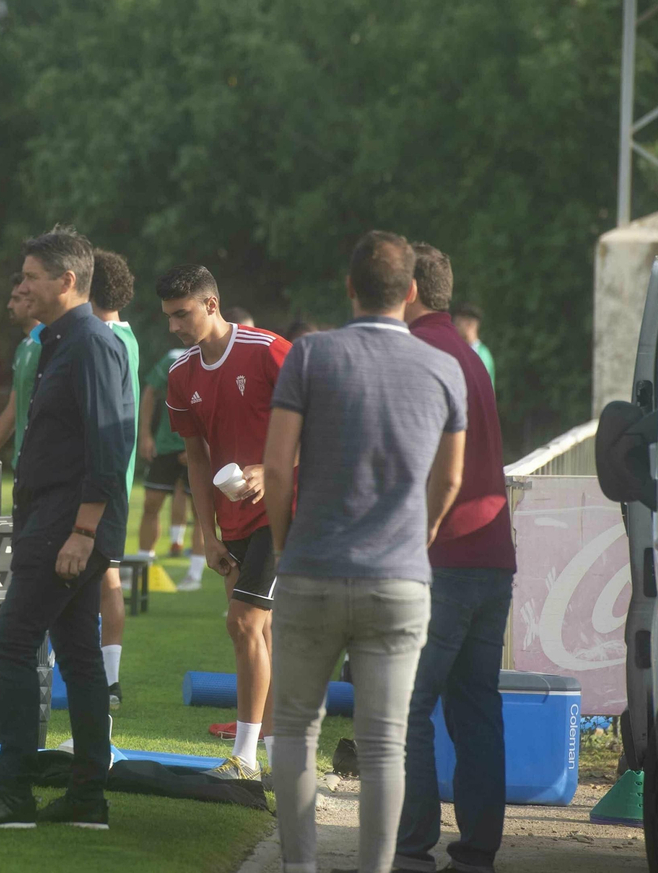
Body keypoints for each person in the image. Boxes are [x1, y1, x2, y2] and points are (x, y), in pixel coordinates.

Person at [262, 230, 467, 873]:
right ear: (411, 293)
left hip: (311, 568)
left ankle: (300, 865)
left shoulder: (311, 355)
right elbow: (452, 478)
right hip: (400, 576)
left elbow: (275, 468)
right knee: (385, 744)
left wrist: (281, 542)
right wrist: (425, 532)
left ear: (348, 288)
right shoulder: (445, 366)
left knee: (295, 729)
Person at [0, 227, 132, 830]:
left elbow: (110, 441)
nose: (19, 285)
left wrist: (84, 530)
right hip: (51, 518)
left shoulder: (91, 342)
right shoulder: (58, 341)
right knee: (78, 655)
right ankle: (87, 799)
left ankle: (15, 793)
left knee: (11, 641)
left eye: (30, 276)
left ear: (66, 280)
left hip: (66, 522)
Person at [394, 246, 515, 873]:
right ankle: (477, 854)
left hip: (443, 554)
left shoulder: (420, 353)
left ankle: (410, 848)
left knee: (407, 705)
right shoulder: (470, 354)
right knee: (476, 708)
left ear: (408, 289)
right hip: (494, 554)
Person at [158, 265, 291, 779]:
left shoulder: (269, 350)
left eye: (182, 314)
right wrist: (206, 534)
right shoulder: (180, 375)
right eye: (168, 317)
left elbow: (323, 428)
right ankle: (280, 758)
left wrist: (268, 469)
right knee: (258, 635)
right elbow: (195, 458)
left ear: (210, 304)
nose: (175, 326)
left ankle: (244, 758)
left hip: (283, 513)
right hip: (231, 517)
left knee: (243, 623)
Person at [89, 249, 139, 710]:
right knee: (107, 578)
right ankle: (107, 681)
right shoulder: (128, 334)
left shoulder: (102, 339)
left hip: (98, 483)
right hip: (117, 482)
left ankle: (103, 683)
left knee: (101, 579)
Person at [137, 344, 205, 582]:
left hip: (198, 447)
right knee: (151, 504)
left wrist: (204, 446)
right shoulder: (173, 358)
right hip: (166, 446)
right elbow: (149, 392)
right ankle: (142, 569)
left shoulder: (220, 359)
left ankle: (194, 576)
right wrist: (145, 434)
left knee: (202, 512)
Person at [0, 275, 43, 470]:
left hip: (44, 465)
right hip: (23, 464)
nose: (9, 305)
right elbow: (13, 409)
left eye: (16, 299)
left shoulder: (50, 344)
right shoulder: (24, 347)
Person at [451, 301, 495, 385]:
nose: (454, 328)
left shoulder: (481, 355)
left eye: (458, 324)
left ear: (470, 324)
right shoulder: (460, 351)